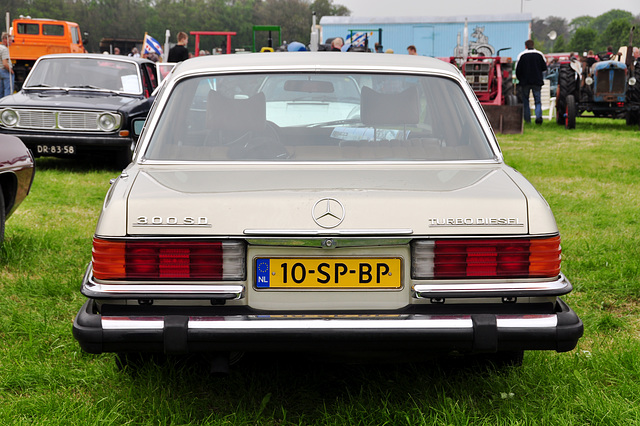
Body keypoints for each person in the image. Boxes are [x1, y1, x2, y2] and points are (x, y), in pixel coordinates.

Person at [516, 39, 547, 125]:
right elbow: (544, 68)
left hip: (525, 82)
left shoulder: (521, 55)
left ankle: (527, 119)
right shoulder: (539, 55)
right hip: (537, 81)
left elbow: (518, 70)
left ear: (525, 46)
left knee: (526, 101)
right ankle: (538, 117)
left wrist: (520, 79)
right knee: (537, 100)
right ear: (533, 45)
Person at [0, 33, 14, 97]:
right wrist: (11, 71)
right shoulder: (4, 49)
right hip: (5, 71)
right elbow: (5, 63)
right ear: (5, 40)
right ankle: (7, 103)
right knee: (8, 89)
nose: (11, 42)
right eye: (10, 40)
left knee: (1, 90)